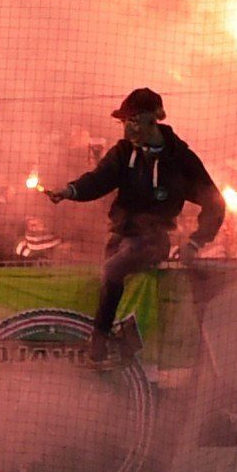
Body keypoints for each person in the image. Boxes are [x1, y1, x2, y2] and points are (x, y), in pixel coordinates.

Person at [48, 88, 224, 359]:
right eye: (123, 122)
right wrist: (70, 191)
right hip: (121, 236)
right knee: (107, 280)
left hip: (153, 240)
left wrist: (195, 241)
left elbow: (215, 203)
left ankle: (98, 343)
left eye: (132, 120)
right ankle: (126, 345)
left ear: (152, 120)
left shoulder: (180, 159)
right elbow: (98, 180)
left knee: (111, 270)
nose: (126, 127)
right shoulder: (122, 152)